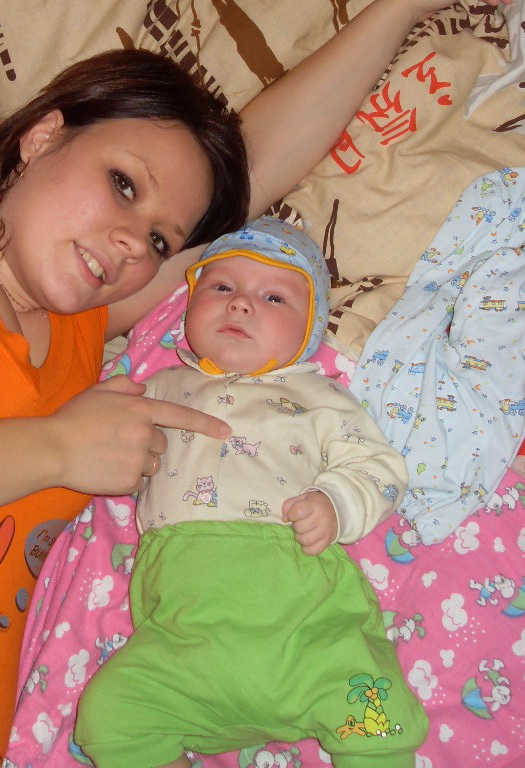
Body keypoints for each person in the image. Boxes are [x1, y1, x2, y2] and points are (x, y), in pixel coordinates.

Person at [0, 0, 525, 768]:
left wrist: (408, 2)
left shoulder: (83, 339)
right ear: (41, 137)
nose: (132, 243)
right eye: (123, 183)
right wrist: (57, 448)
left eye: (160, 240)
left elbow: (252, 175)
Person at [74, 217, 428, 768]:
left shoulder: (320, 396)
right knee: (107, 716)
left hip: (305, 620)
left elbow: (379, 466)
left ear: (310, 328)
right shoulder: (153, 388)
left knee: (376, 717)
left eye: (273, 297)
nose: (240, 304)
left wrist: (335, 502)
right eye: (221, 287)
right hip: (185, 641)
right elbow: (98, 438)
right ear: (189, 303)